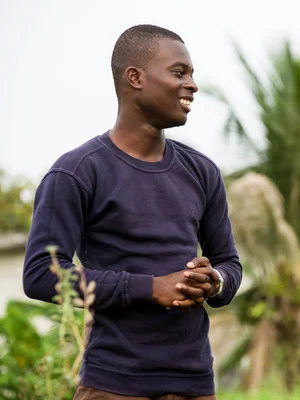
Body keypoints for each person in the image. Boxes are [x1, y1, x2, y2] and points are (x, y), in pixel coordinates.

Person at [23, 24, 242, 400]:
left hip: (194, 384)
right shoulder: (76, 172)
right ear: (135, 77)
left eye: (192, 75)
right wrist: (150, 288)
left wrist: (215, 281)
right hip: (114, 385)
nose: (192, 84)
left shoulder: (202, 171)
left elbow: (229, 264)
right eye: (179, 72)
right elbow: (41, 274)